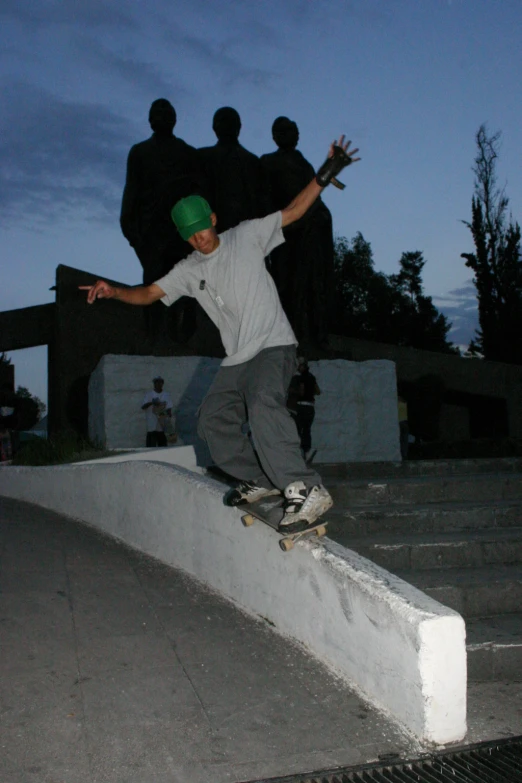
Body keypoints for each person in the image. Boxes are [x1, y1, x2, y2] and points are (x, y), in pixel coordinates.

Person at [80, 134, 360, 533]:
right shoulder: (188, 270)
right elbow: (149, 293)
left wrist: (326, 172)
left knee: (264, 403)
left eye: (203, 229)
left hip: (273, 344)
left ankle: (304, 488)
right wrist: (114, 291)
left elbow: (294, 211)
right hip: (237, 358)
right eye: (191, 234)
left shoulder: (247, 235)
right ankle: (261, 481)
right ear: (185, 236)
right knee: (211, 421)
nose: (200, 238)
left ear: (212, 219)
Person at [120, 98, 206, 342]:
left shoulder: (188, 154)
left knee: (185, 289)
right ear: (149, 120)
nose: (161, 116)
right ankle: (154, 339)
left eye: (166, 112)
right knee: (154, 288)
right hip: (152, 234)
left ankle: (183, 339)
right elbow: (132, 191)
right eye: (156, 112)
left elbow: (199, 191)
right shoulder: (139, 152)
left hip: (182, 233)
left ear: (175, 119)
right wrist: (130, 228)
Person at [261, 117, 335, 344]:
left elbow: (315, 197)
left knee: (312, 286)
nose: (287, 135)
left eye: (291, 130)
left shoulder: (303, 164)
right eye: (281, 131)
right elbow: (264, 199)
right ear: (274, 136)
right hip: (284, 232)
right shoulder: (267, 162)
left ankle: (315, 337)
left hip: (310, 233)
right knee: (284, 286)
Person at [198, 107, 270, 232]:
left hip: (247, 232)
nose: (226, 125)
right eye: (222, 121)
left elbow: (263, 201)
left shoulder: (253, 162)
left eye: (230, 121)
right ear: (214, 127)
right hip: (215, 231)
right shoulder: (203, 157)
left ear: (239, 126)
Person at [287, 357, 321, 460]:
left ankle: (299, 454)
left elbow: (301, 392)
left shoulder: (299, 378)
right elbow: (318, 391)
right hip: (311, 408)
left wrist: (294, 391)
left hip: (302, 406)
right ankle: (307, 451)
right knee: (306, 430)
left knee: (297, 430)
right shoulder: (312, 377)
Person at [141, 376, 174, 447]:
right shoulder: (149, 395)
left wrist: (168, 415)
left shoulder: (166, 395)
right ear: (154, 384)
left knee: (163, 448)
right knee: (150, 448)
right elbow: (143, 407)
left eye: (160, 382)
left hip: (162, 426)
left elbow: (169, 409)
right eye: (156, 382)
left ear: (163, 384)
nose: (158, 384)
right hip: (152, 426)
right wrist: (152, 403)